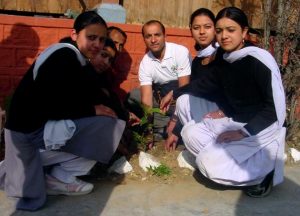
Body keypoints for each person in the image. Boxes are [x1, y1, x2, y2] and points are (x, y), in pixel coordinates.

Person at [0, 11, 126, 211]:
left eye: (101, 39)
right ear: (75, 35)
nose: (97, 44)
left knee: (106, 125)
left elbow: (83, 97)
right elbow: (52, 103)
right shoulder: (63, 55)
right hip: (25, 134)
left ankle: (52, 176)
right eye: (91, 37)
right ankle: (17, 168)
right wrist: (92, 109)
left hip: (40, 128)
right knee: (33, 201)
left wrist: (98, 107)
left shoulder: (76, 58)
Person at [160, 7, 286, 197]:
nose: (224, 36)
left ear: (244, 32)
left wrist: (242, 133)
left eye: (231, 30)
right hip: (234, 121)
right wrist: (175, 92)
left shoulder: (258, 59)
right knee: (190, 131)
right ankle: (227, 157)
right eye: (219, 31)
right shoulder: (226, 59)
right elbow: (204, 84)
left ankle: (263, 173)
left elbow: (273, 110)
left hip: (259, 128)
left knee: (206, 163)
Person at [165, 8, 223, 151]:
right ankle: (203, 145)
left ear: (215, 28)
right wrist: (175, 128)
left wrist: (174, 92)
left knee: (182, 97)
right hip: (208, 112)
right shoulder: (198, 60)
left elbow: (212, 84)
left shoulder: (223, 53)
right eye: (197, 28)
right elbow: (194, 92)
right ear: (191, 30)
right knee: (184, 100)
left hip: (227, 112)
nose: (202, 32)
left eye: (207, 27)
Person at [136, 20, 191, 145]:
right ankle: (159, 124)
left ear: (165, 36)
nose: (153, 40)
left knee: (184, 111)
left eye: (157, 35)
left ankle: (174, 124)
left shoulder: (180, 52)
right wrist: (148, 130)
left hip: (182, 93)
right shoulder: (145, 62)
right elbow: (146, 99)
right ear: (144, 39)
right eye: (148, 36)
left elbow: (184, 88)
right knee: (134, 96)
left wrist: (175, 122)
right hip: (160, 94)